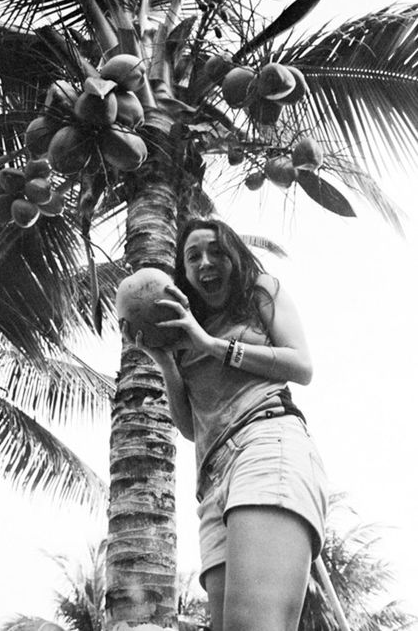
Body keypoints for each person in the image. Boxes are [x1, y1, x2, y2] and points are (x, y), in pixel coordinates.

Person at [121, 217, 328, 631]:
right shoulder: (184, 329)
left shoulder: (260, 293)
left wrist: (212, 345)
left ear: (234, 256)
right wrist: (165, 359)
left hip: (265, 440)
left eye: (216, 251)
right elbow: (191, 427)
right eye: (193, 256)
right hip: (213, 480)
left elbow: (301, 366)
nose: (205, 262)